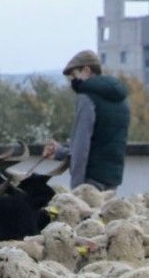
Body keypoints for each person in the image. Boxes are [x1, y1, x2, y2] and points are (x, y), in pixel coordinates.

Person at [41, 50, 130, 191]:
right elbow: (102, 143)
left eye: (74, 75)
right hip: (112, 179)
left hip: (90, 181)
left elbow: (81, 148)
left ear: (87, 70)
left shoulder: (86, 98)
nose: (72, 81)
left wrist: (76, 189)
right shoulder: (121, 99)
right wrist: (60, 152)